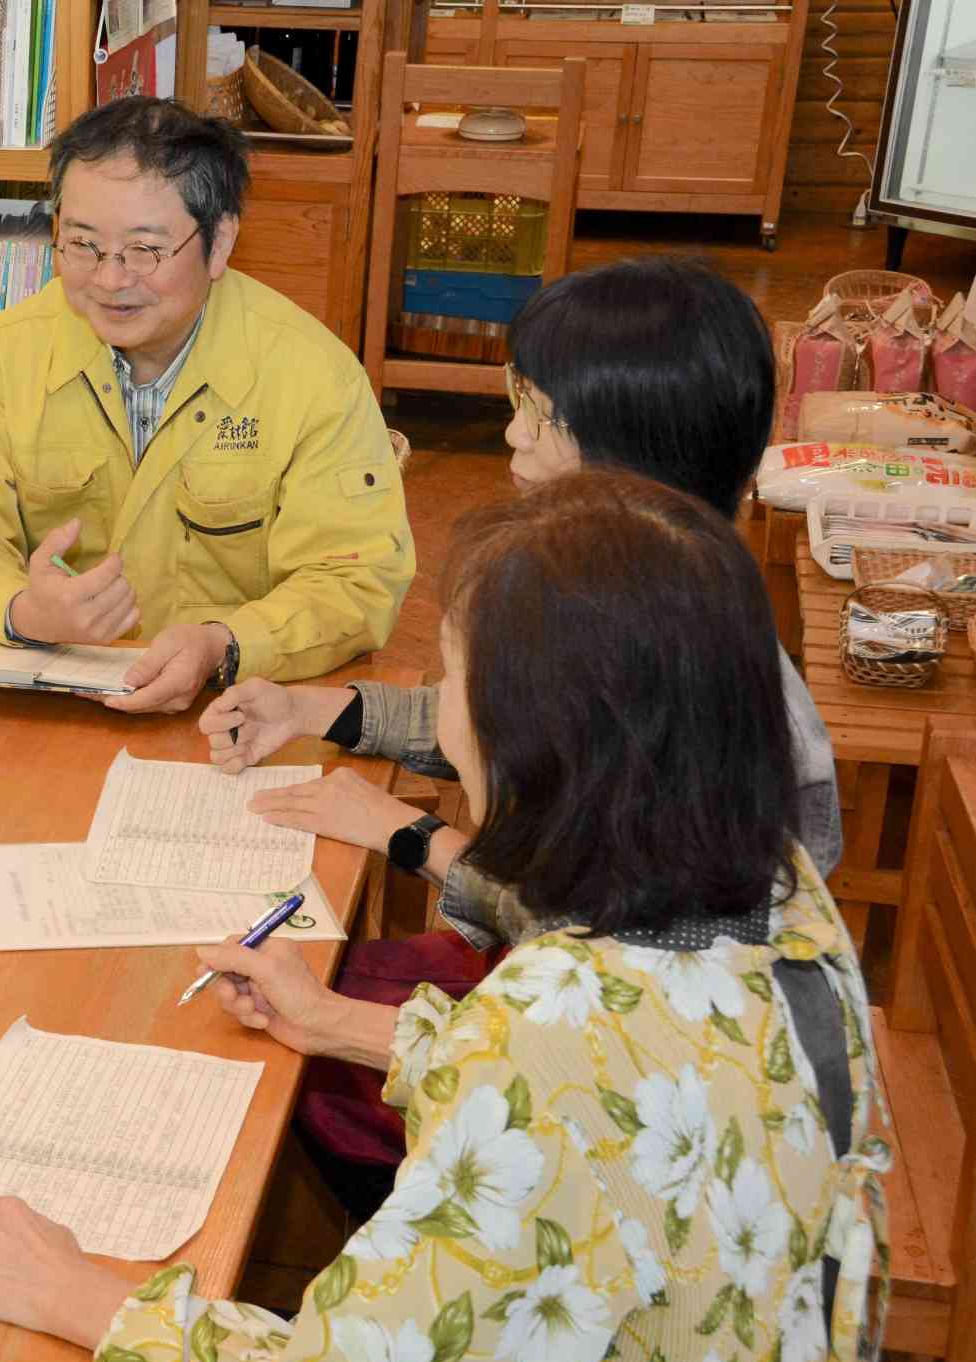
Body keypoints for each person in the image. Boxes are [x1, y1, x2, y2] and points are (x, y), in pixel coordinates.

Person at [0, 470, 890, 1362]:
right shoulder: (767, 878)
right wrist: (334, 1024)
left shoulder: (551, 1031)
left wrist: (75, 1291)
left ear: (535, 731)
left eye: (454, 674)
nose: (444, 710)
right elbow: (625, 1105)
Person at [196, 257, 845, 1214]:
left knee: (306, 1064)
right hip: (635, 1062)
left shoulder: (591, 1002)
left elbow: (567, 1022)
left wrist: (410, 841)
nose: (508, 431)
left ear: (620, 441)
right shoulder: (683, 607)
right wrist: (320, 710)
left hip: (604, 1147)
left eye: (533, 409)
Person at [0, 97, 414, 714]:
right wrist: (25, 611)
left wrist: (225, 645)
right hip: (54, 704)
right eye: (82, 244)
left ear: (219, 243)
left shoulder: (313, 375)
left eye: (144, 250)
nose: (110, 280)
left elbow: (356, 578)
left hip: (234, 710)